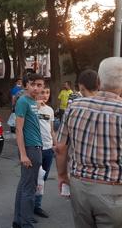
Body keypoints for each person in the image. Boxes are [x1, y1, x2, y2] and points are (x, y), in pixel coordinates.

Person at [56, 57, 122, 227]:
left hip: (79, 186)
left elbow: (61, 147)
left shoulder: (75, 106)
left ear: (99, 80)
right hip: (113, 190)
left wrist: (62, 175)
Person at [12, 73, 44, 228]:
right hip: (30, 149)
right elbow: (18, 130)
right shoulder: (23, 101)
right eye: (33, 84)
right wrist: (23, 154)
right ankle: (26, 223)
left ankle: (19, 221)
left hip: (35, 147)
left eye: (40, 85)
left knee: (24, 185)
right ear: (26, 85)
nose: (37, 88)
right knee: (29, 189)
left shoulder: (32, 101)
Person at [33, 84, 56, 219]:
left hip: (48, 148)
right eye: (42, 92)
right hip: (36, 148)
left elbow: (51, 129)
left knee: (43, 179)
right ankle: (30, 206)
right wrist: (37, 105)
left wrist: (55, 144)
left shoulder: (50, 110)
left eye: (47, 93)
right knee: (35, 178)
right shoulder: (32, 108)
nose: (45, 95)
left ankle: (37, 206)